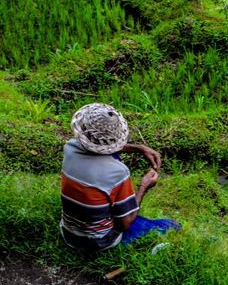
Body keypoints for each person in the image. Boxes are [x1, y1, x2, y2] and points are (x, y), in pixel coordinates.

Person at [60, 103, 178, 251]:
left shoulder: (70, 148)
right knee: (171, 225)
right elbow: (124, 224)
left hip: (69, 233)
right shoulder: (117, 172)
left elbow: (99, 146)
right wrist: (144, 187)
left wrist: (139, 148)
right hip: (99, 242)